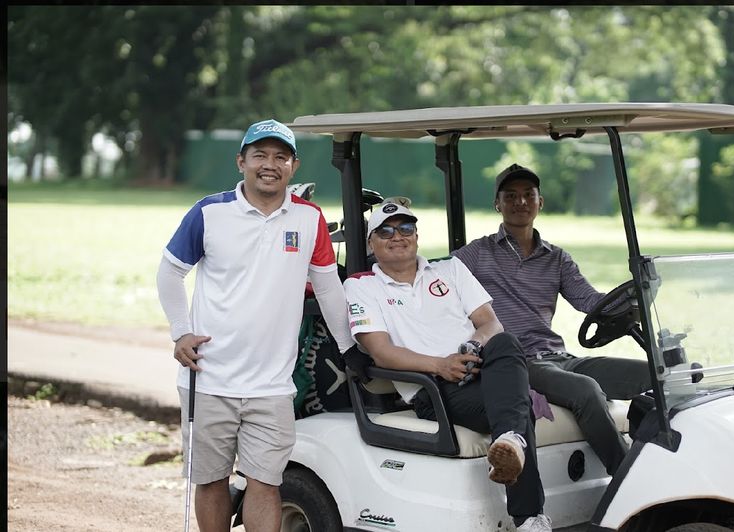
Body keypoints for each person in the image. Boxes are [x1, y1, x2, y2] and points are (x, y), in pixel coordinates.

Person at [156, 118, 356, 532]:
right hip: (209, 377)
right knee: (211, 480)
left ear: (293, 166)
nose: (270, 164)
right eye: (260, 155)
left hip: (272, 385)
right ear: (241, 161)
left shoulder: (309, 218)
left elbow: (328, 287)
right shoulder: (209, 212)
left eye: (281, 157)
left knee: (266, 483)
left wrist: (348, 347)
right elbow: (170, 271)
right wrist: (180, 331)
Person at [344, 200, 552, 532]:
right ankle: (528, 517)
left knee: (505, 342)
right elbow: (381, 352)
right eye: (385, 232)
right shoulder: (361, 286)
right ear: (371, 243)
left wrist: (473, 347)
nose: (397, 236)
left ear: (416, 235)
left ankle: (510, 441)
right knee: (519, 406)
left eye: (405, 228)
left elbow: (490, 323)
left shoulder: (450, 269)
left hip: (477, 369)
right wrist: (440, 366)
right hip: (433, 390)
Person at [451, 163, 651, 476]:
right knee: (586, 390)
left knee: (655, 376)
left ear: (540, 202)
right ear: (497, 204)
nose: (520, 202)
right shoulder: (477, 253)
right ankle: (629, 480)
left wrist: (635, 295)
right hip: (520, 363)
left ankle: (664, 461)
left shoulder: (556, 258)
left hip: (560, 357)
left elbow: (589, 300)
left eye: (528, 195)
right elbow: (436, 280)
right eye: (510, 196)